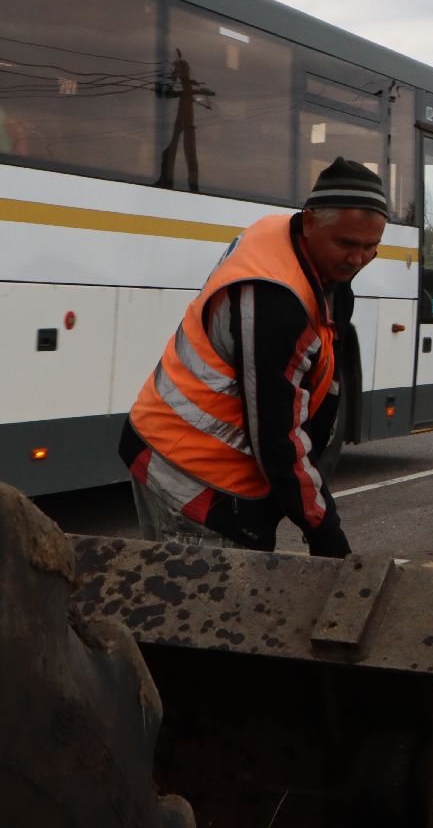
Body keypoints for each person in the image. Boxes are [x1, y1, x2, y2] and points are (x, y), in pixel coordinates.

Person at [119, 156, 388, 557]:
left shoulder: (312, 262)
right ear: (310, 221)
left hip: (218, 467)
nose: (357, 259)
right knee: (205, 613)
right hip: (191, 475)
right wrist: (323, 531)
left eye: (371, 247)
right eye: (346, 244)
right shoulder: (275, 299)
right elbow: (278, 435)